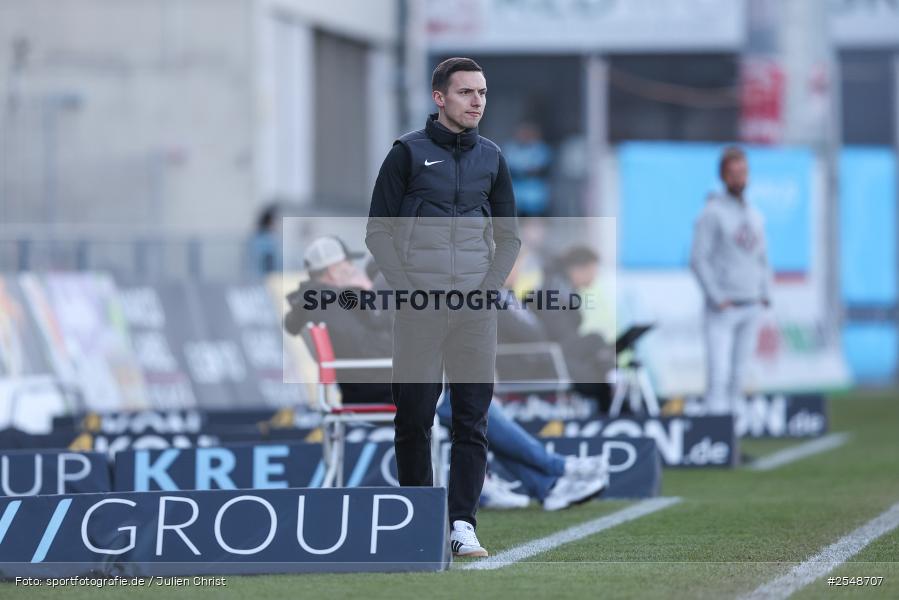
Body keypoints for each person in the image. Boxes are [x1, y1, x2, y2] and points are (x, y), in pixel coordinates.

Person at [283, 238, 608, 514]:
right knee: (471, 406)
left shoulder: (328, 301)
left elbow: (376, 343)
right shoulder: (328, 302)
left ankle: (548, 483)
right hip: (383, 390)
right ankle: (554, 470)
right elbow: (373, 348)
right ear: (333, 271)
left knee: (472, 405)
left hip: (388, 384)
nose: (354, 270)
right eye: (348, 266)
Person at [366, 57, 521, 557]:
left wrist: (488, 289)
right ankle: (419, 523)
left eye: (482, 92)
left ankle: (462, 524)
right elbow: (377, 232)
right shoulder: (406, 154)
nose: (477, 101)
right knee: (414, 418)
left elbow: (509, 237)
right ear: (439, 98)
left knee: (473, 422)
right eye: (465, 92)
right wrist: (408, 289)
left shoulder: (493, 158)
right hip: (420, 310)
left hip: (475, 312)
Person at [690, 146, 772, 416]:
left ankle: (734, 429)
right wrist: (717, 296)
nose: (739, 179)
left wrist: (765, 292)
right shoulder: (712, 213)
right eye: (733, 173)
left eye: (743, 172)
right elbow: (698, 259)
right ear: (723, 176)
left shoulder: (754, 214)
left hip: (751, 302)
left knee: (739, 375)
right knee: (719, 375)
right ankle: (716, 430)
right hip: (724, 307)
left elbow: (762, 257)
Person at [537, 246, 616, 412]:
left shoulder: (561, 287)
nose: (595, 277)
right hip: (554, 354)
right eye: (593, 271)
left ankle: (611, 380)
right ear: (578, 269)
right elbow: (558, 332)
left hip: (559, 351)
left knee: (597, 346)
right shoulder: (555, 289)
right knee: (596, 342)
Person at [504, 122, 553, 217]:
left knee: (534, 221)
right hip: (515, 195)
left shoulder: (541, 149)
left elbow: (542, 169)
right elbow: (507, 169)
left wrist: (523, 170)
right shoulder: (510, 148)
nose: (525, 136)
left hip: (536, 195)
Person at [248, 203, 282, 275]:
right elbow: (269, 261)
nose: (277, 225)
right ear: (270, 222)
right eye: (275, 222)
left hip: (256, 275)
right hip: (266, 276)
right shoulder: (268, 240)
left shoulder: (255, 237)